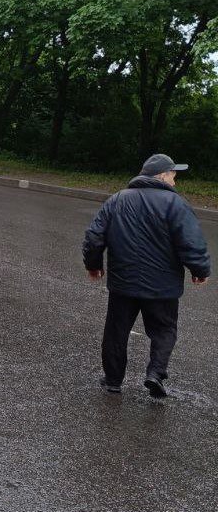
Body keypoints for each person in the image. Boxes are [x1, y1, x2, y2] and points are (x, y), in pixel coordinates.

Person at [82, 153, 210, 398]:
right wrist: (199, 269)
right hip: (162, 287)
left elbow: (94, 236)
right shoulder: (176, 204)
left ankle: (112, 381)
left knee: (116, 331)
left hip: (123, 283)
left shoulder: (118, 199)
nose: (175, 180)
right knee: (164, 331)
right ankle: (155, 374)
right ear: (161, 175)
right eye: (173, 175)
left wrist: (93, 264)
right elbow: (191, 242)